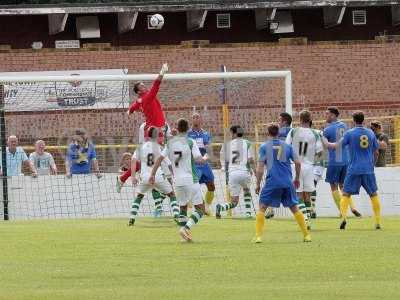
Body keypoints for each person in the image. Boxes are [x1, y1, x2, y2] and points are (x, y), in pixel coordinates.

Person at [150, 118, 207, 242]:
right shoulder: (190, 141)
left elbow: (159, 159)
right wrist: (205, 157)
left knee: (183, 208)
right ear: (187, 129)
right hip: (191, 179)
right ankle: (185, 227)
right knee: (201, 209)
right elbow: (198, 160)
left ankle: (183, 237)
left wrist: (152, 174)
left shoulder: (170, 143)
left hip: (178, 182)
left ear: (178, 128)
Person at [324, 111, 382, 230]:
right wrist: (372, 164)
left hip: (354, 168)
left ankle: (344, 218)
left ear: (353, 120)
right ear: (363, 120)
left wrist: (325, 142)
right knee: (373, 194)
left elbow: (336, 146)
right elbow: (376, 152)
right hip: (368, 169)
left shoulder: (350, 133)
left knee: (346, 194)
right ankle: (377, 222)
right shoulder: (370, 133)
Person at [254, 123, 310, 243]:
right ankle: (306, 235)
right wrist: (297, 179)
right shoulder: (288, 146)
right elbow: (298, 163)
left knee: (262, 207)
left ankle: (258, 237)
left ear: (268, 133)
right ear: (278, 133)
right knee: (294, 208)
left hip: (272, 181)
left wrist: (258, 183)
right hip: (287, 182)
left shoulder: (264, 147)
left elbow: (259, 168)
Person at [117, 63, 169, 191]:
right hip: (154, 130)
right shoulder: (147, 98)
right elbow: (156, 85)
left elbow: (134, 106)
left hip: (153, 128)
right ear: (139, 91)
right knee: (161, 154)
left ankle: (123, 178)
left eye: (144, 85)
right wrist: (162, 72)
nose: (145, 86)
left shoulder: (140, 100)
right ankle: (167, 178)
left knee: (151, 156)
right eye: (142, 86)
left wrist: (129, 111)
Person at [128, 127, 180, 226]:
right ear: (156, 136)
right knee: (172, 195)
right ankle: (176, 215)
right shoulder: (159, 147)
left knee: (139, 196)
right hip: (157, 176)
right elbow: (169, 163)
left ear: (147, 135)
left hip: (145, 177)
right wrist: (174, 174)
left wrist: (133, 176)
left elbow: (133, 160)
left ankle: (132, 218)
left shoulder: (140, 147)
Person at [286, 110, 323, 229]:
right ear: (310, 119)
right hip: (309, 166)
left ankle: (305, 220)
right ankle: (308, 220)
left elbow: (286, 148)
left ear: (300, 119)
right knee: (307, 194)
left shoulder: (293, 131)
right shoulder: (315, 133)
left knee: (298, 194)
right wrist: (312, 159)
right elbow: (320, 152)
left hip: (295, 165)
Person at [323, 107, 362, 217]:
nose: (325, 116)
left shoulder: (327, 130)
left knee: (333, 186)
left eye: (327, 114)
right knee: (344, 186)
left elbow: (325, 145)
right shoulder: (345, 126)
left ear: (333, 115)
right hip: (346, 160)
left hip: (334, 161)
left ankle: (342, 210)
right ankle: (353, 208)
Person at [217, 125, 255, 218]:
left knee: (234, 202)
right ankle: (248, 213)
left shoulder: (227, 144)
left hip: (232, 173)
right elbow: (251, 160)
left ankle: (221, 207)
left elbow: (223, 158)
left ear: (233, 133)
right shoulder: (247, 143)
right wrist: (252, 168)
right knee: (247, 191)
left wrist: (223, 168)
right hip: (244, 172)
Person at [265, 112, 293, 219]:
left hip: (276, 163)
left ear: (284, 122)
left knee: (272, 186)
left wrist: (271, 128)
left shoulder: (280, 131)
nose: (278, 122)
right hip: (288, 164)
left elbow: (271, 137)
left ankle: (269, 209)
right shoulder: (293, 132)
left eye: (279, 120)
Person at [187, 112, 215, 214]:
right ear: (191, 120)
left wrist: (205, 157)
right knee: (194, 186)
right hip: (193, 164)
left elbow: (209, 150)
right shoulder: (188, 134)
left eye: (197, 117)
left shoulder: (205, 134)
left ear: (201, 120)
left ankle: (207, 207)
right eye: (193, 117)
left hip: (204, 164)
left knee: (211, 185)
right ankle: (192, 206)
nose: (195, 119)